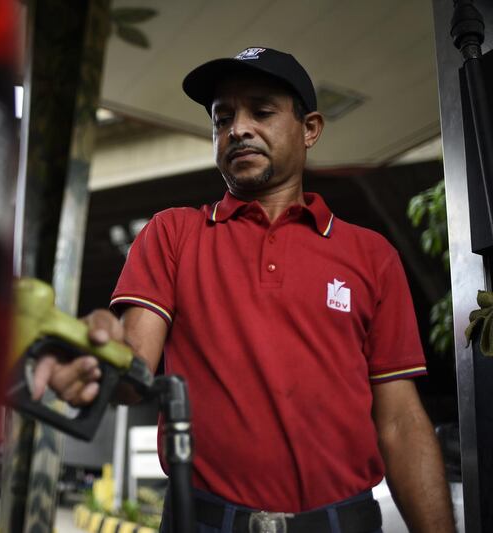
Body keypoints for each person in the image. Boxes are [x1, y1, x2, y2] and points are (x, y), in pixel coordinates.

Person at [32, 47, 455, 533]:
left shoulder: (371, 255)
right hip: (203, 521)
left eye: (262, 111)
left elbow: (400, 421)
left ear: (310, 129)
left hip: (342, 523)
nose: (237, 128)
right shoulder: (172, 234)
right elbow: (134, 366)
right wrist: (94, 356)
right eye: (223, 117)